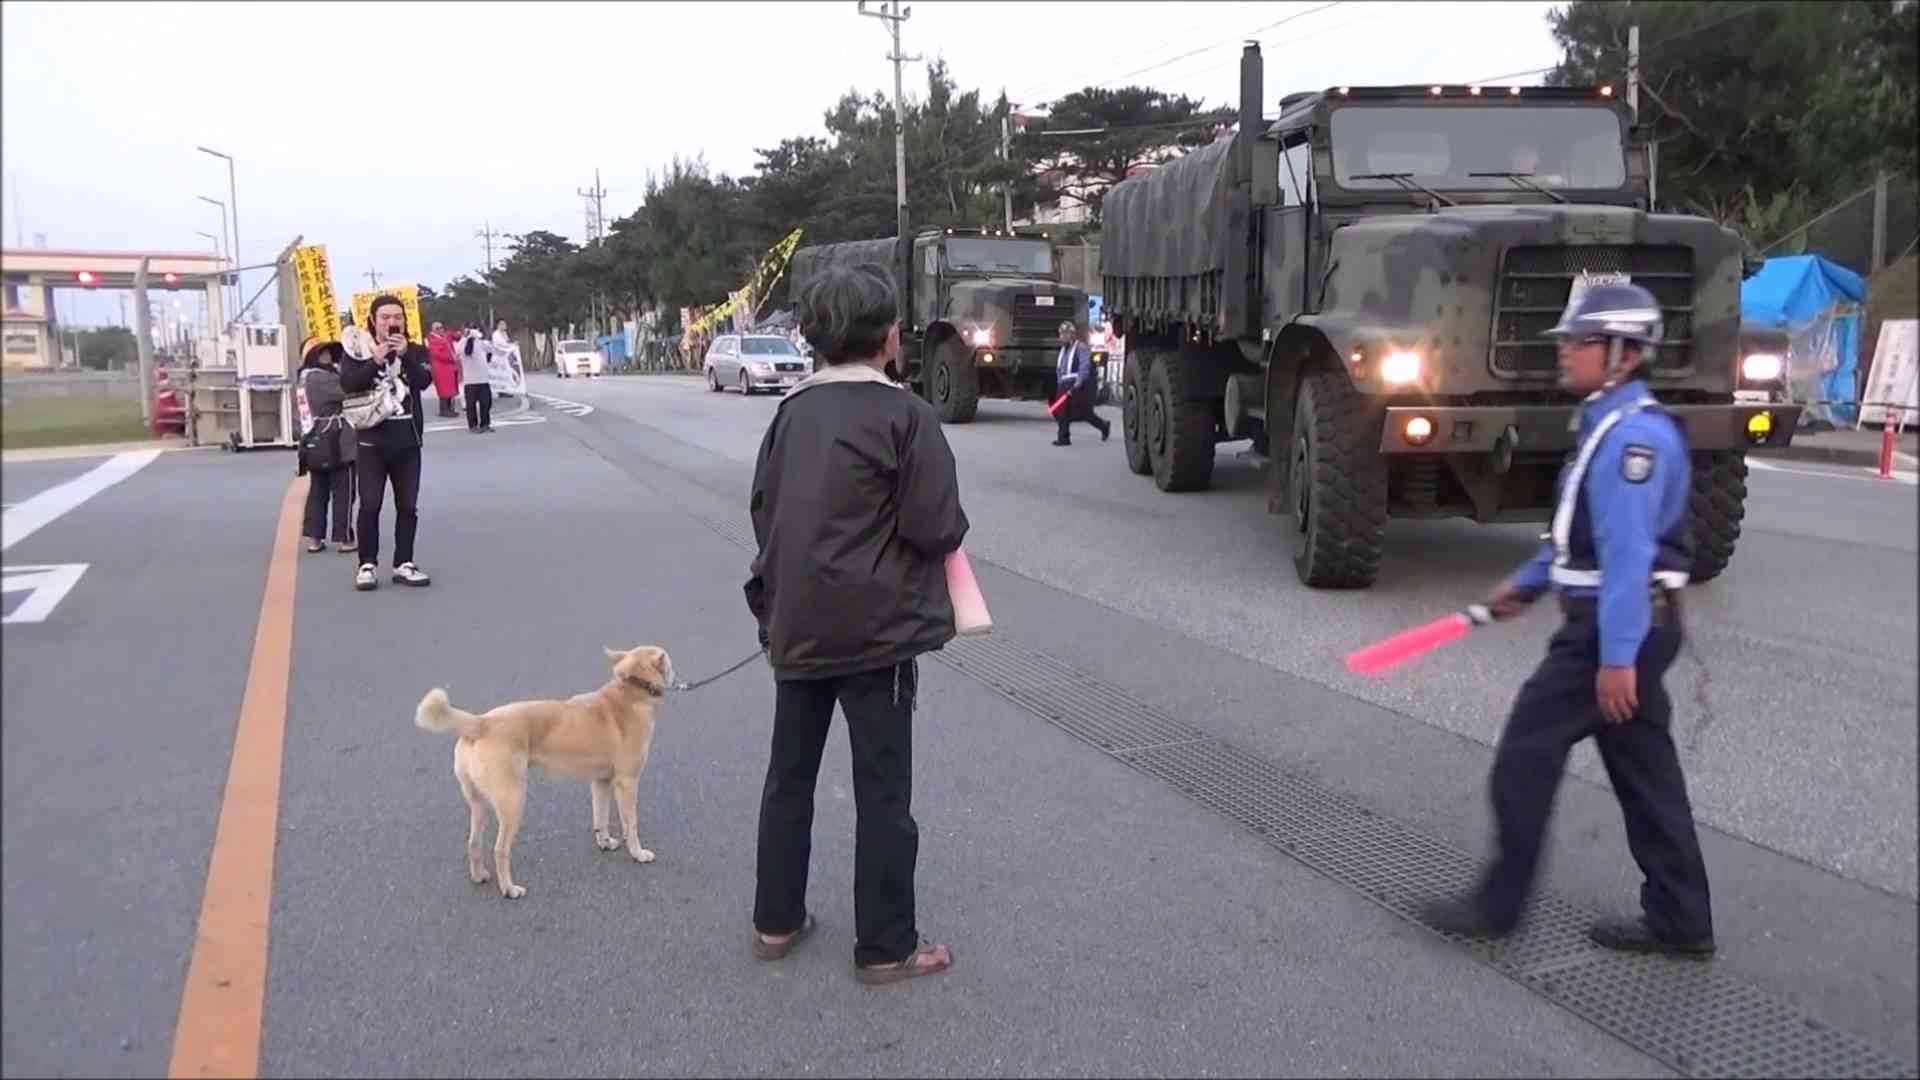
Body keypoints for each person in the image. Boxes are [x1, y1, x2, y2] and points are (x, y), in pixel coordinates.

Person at [1419, 282, 1715, 958]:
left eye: (1579, 341)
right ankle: (1681, 918)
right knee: (1646, 775)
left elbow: (1627, 558)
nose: (1566, 352)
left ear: (1622, 353)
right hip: (1635, 627)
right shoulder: (1606, 423)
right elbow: (1573, 537)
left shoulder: (1631, 439)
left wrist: (1614, 659)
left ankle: (1497, 906)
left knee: (1525, 754)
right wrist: (1524, 584)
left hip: (1617, 632)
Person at [742, 263, 969, 985]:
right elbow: (937, 526)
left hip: (798, 626)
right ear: (888, 337)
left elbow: (763, 513)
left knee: (789, 779)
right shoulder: (906, 416)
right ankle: (886, 944)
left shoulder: (789, 415)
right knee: (881, 789)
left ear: (813, 339)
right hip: (878, 633)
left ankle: (776, 920)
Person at [340, 295, 435, 591]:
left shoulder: (416, 350)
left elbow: (422, 382)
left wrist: (405, 356)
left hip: (408, 442)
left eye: (398, 317)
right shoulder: (357, 351)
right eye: (385, 317)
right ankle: (367, 565)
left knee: (408, 505)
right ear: (372, 320)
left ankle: (404, 563)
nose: (392, 322)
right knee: (370, 505)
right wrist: (375, 361)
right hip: (372, 443)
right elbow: (349, 384)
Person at [295, 338, 357, 554]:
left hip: (313, 440)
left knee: (318, 491)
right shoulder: (324, 378)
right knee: (344, 489)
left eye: (329, 352)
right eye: (322, 353)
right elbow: (350, 390)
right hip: (337, 439)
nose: (328, 356)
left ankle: (315, 537)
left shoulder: (303, 378)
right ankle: (345, 538)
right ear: (312, 357)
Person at [1051, 319, 1110, 447]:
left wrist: (1077, 384)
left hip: (1077, 385)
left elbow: (1084, 367)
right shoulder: (1062, 350)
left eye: (1065, 334)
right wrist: (1059, 384)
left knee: (1083, 412)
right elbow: (1060, 369)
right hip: (1064, 385)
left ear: (1072, 335)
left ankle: (1103, 426)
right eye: (1061, 334)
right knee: (1061, 411)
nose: (1062, 336)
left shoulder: (1081, 348)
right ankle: (1064, 437)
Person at [458, 323, 495, 433]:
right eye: (472, 328)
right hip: (470, 380)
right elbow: (462, 351)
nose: (474, 331)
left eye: (476, 328)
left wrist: (482, 337)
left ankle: (485, 424)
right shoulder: (463, 342)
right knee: (471, 405)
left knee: (486, 403)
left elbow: (491, 349)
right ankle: (473, 426)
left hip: (483, 379)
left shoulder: (482, 342)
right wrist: (468, 338)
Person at [428, 321, 461, 417]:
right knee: (444, 390)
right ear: (433, 330)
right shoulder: (433, 340)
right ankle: (444, 410)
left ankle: (450, 408)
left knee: (451, 389)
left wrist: (458, 334)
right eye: (438, 328)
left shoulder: (445, 336)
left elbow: (455, 336)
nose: (441, 329)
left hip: (449, 366)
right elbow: (437, 354)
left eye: (441, 327)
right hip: (441, 367)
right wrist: (452, 358)